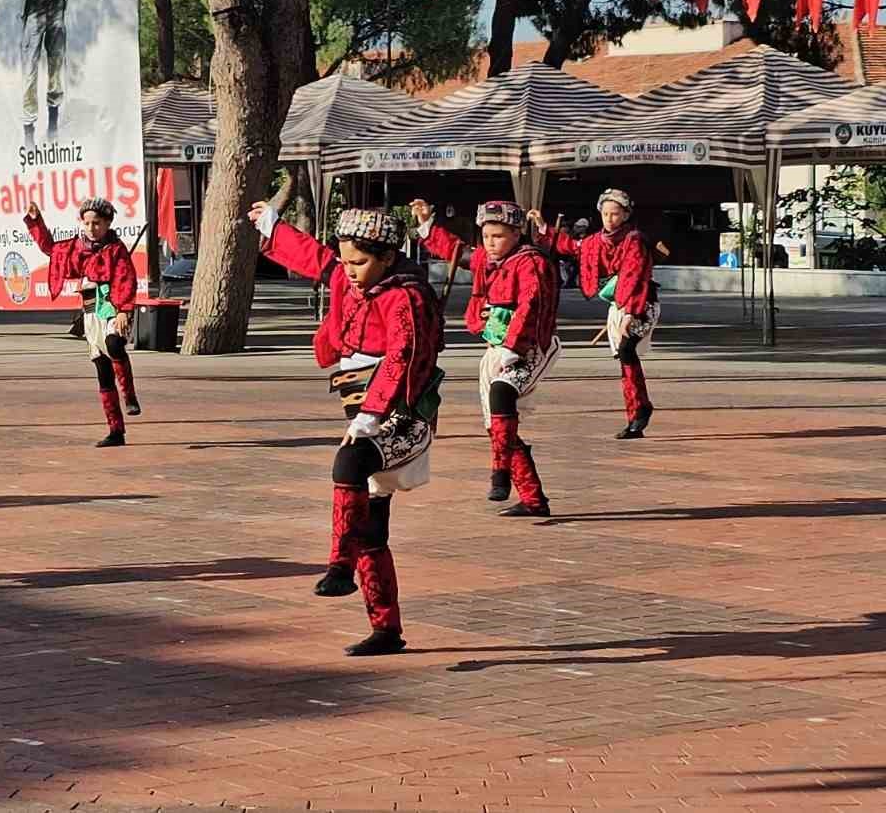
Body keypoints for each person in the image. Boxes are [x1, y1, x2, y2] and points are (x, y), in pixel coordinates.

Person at [246, 200, 443, 656]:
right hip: (360, 405)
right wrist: (273, 224)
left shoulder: (406, 297)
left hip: (403, 413)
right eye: (347, 260)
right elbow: (315, 259)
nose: (350, 271)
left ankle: (339, 564)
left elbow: (402, 359)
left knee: (349, 460)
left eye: (360, 262)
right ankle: (386, 630)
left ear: (388, 257)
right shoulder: (344, 274)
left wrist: (372, 415)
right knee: (373, 527)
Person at [416, 199, 561, 517]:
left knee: (502, 393)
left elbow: (530, 304)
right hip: (496, 347)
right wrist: (427, 225)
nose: (491, 243)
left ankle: (500, 473)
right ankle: (533, 498)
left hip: (531, 346)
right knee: (496, 424)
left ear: (516, 233)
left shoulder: (531, 262)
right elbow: (458, 253)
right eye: (486, 236)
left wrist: (513, 347)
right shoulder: (486, 258)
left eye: (499, 236)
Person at [532, 189, 659, 439]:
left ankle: (639, 411)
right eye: (605, 213)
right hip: (619, 305)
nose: (610, 219)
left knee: (626, 351)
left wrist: (630, 314)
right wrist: (544, 227)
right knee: (625, 357)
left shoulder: (633, 240)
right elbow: (573, 247)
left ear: (625, 215)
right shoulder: (596, 240)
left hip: (641, 303)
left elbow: (635, 276)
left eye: (615, 214)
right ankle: (637, 411)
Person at [24, 198, 140, 447]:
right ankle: (116, 430)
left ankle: (129, 395)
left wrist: (124, 311)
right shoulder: (76, 247)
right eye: (87, 223)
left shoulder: (116, 249)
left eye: (96, 223)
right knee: (102, 371)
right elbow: (50, 249)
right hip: (90, 314)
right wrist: (36, 220)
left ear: (108, 223)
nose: (91, 228)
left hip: (111, 308)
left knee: (115, 344)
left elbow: (126, 279)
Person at [18, 0, 70, 146]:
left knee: (56, 64)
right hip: (35, 3)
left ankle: (53, 124)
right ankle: (28, 129)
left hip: (57, 1)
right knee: (29, 67)